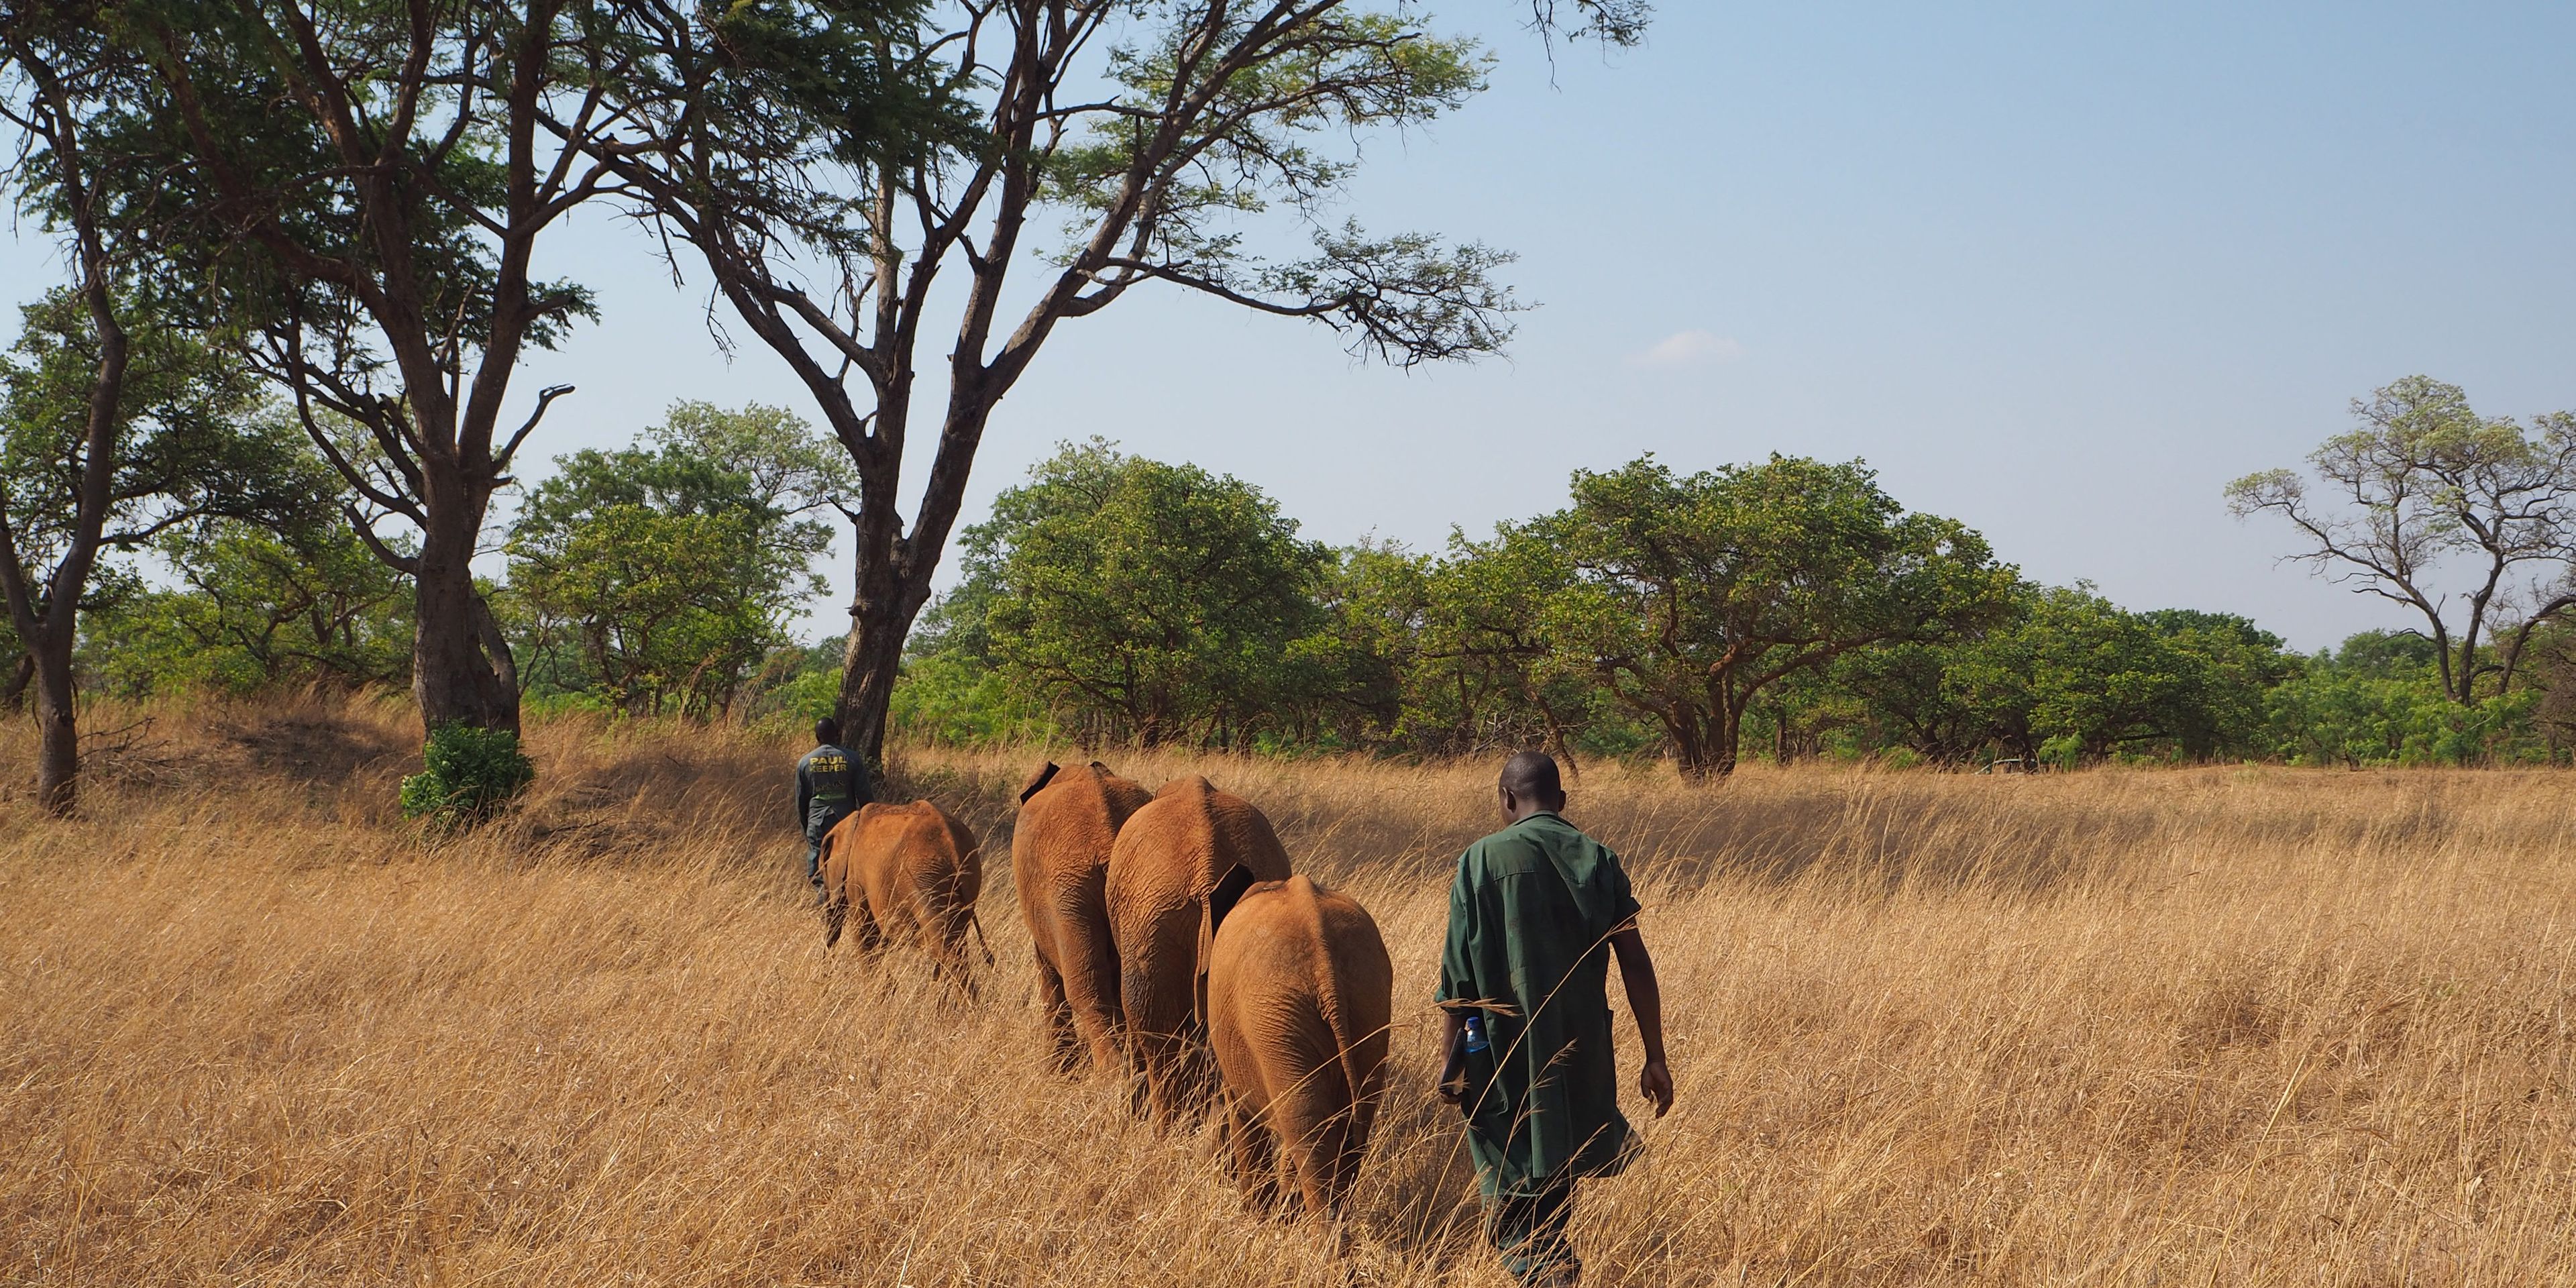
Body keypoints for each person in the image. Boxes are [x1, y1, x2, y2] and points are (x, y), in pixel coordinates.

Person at [1436, 750, 1673, 1287]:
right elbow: (1635, 960)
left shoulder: (1479, 860)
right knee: (1553, 1183)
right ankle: (1554, 1268)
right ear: (1562, 801)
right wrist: (1655, 1056)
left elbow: (1458, 983)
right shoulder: (1598, 858)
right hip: (1580, 1054)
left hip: (1499, 1056)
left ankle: (1550, 1276)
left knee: (1515, 1205)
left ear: (1506, 800)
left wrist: (1450, 1069)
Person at [794, 717, 873, 898]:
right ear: (838, 734)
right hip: (847, 822)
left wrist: (808, 829)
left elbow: (801, 802)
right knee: (849, 866)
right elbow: (865, 798)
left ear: (817, 737)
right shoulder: (852, 759)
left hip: (817, 823)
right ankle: (847, 904)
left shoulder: (805, 762)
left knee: (819, 872)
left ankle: (826, 907)